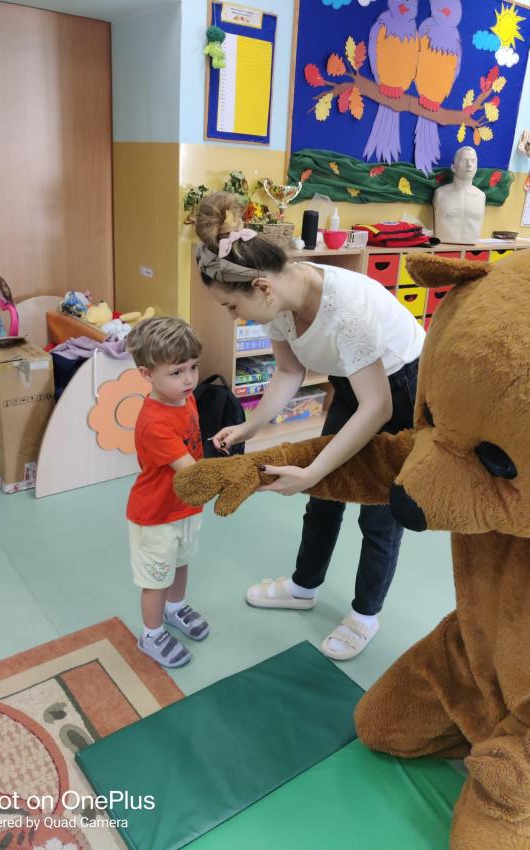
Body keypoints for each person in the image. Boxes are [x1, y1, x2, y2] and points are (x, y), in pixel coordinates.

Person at [194, 192, 425, 661]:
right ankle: (304, 586)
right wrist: (250, 427)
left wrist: (315, 468)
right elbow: (288, 372)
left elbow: (377, 407)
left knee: (378, 510)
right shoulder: (280, 299)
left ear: (261, 287)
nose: (234, 317)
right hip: (354, 382)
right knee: (321, 496)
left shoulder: (346, 311)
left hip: (401, 387)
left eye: (231, 307)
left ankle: (365, 614)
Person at [126, 317, 209, 668]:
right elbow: (191, 470)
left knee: (181, 562)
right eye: (176, 372)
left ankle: (176, 608)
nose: (189, 379)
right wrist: (236, 474)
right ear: (146, 374)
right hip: (156, 515)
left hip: (185, 506)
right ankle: (152, 634)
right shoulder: (154, 422)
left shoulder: (184, 399)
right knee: (156, 579)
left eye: (193, 367)